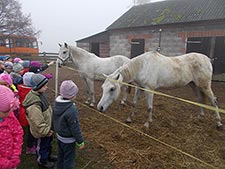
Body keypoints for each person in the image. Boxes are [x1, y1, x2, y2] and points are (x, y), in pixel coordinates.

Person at [23, 74, 56, 168]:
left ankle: (48, 156)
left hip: (47, 127)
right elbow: (37, 120)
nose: (47, 87)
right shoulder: (34, 104)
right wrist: (45, 131)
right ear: (37, 87)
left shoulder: (40, 94)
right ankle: (42, 160)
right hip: (42, 131)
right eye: (44, 86)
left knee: (48, 144)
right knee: (42, 146)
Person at [53, 80, 85, 169]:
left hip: (59, 136)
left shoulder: (56, 103)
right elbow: (75, 127)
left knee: (61, 155)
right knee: (69, 159)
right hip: (68, 139)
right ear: (72, 96)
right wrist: (80, 141)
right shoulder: (71, 110)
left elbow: (54, 118)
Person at [0, 85, 24, 169]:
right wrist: (4, 163)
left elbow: (18, 132)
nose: (8, 113)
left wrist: (15, 154)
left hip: (11, 159)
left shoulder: (9, 116)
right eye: (5, 111)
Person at [17, 72, 37, 154]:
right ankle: (30, 147)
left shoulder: (20, 88)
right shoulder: (31, 91)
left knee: (23, 130)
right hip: (29, 113)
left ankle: (21, 143)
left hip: (22, 112)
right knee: (31, 131)